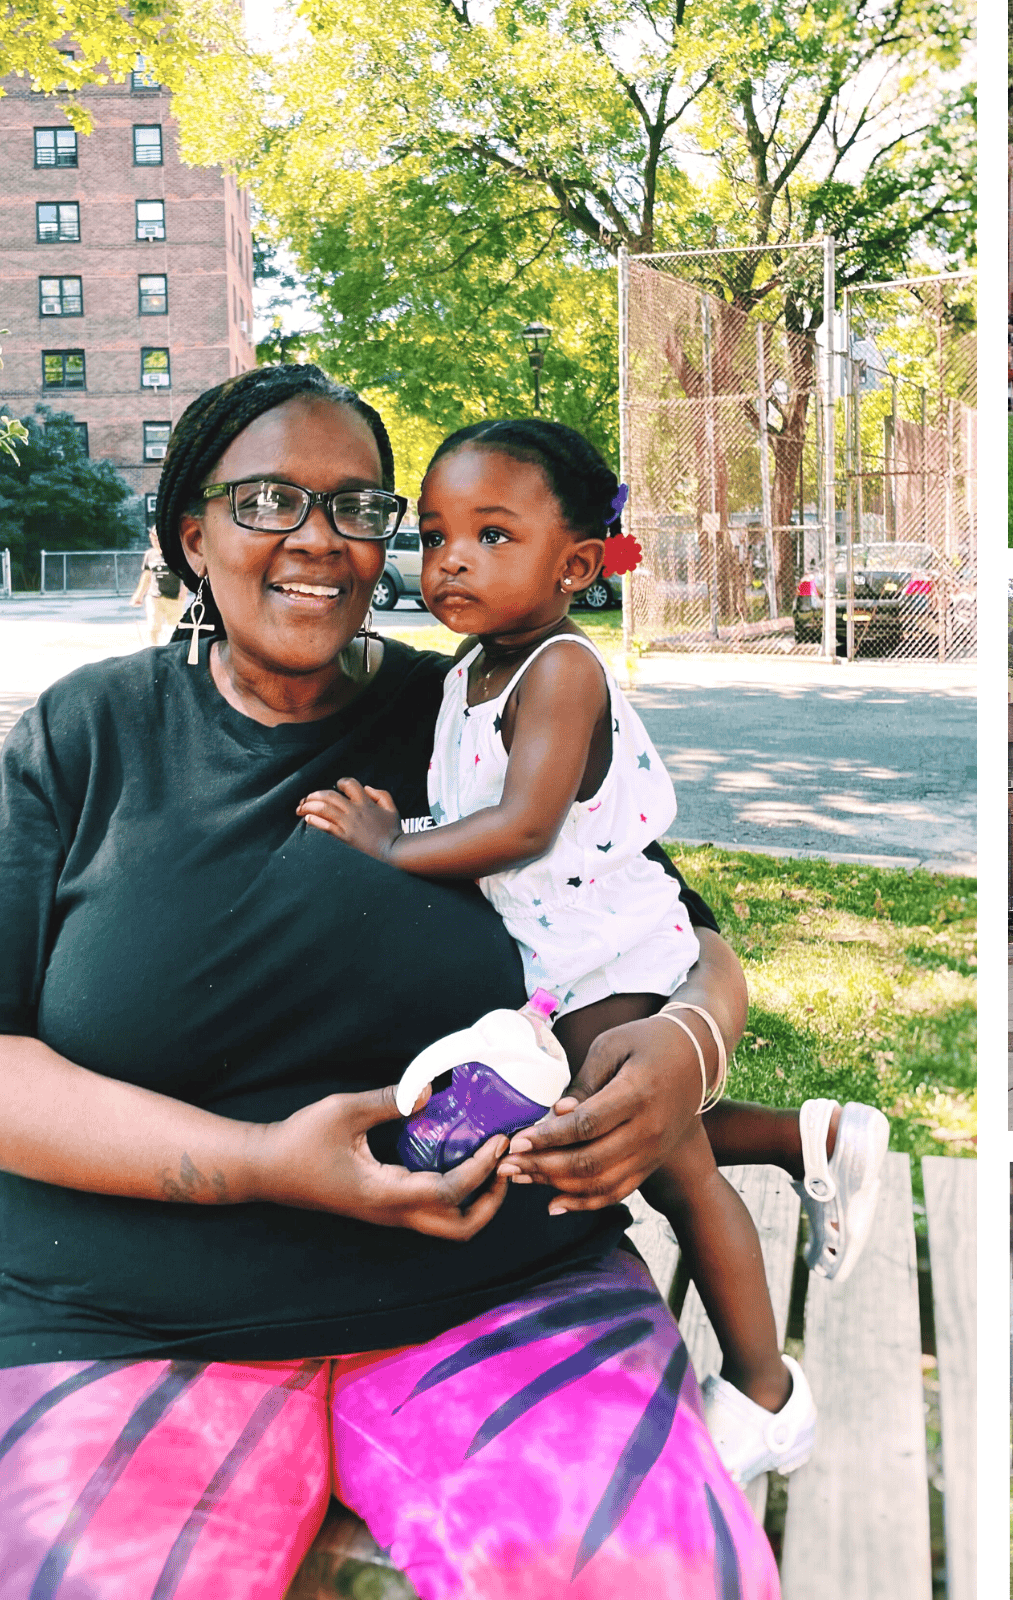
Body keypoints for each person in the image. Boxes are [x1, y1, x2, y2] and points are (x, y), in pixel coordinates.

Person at [0, 364, 872, 1597]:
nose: (316, 538)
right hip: (122, 1321)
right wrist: (257, 1162)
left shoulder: (477, 702)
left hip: (499, 1294)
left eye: (357, 506)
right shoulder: (82, 738)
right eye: (265, 502)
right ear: (192, 534)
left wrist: (686, 1051)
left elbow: (674, 931)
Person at [298, 417, 892, 1482]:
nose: (451, 561)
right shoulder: (475, 669)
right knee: (648, 1129)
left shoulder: (560, 669)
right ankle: (817, 1138)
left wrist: (391, 845)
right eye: (434, 537)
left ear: (574, 566)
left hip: (605, 954)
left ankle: (765, 1393)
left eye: (490, 535)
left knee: (674, 1171)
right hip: (561, 953)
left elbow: (523, 826)